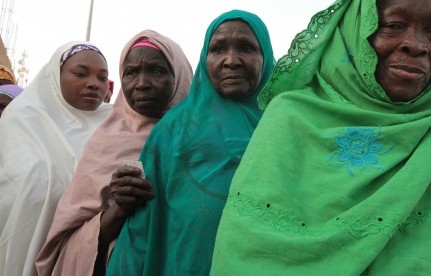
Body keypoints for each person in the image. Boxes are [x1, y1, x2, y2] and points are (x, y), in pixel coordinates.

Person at [211, 0, 431, 275]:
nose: (416, 45)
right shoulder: (291, 119)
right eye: (393, 25)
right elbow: (248, 249)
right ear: (353, 30)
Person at [105, 9, 275, 276]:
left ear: (265, 56)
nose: (231, 60)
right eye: (218, 49)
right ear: (204, 59)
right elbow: (143, 229)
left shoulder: (285, 125)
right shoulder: (172, 130)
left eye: (246, 48)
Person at [35, 29, 193, 276]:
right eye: (131, 72)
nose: (142, 83)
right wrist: (119, 208)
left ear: (180, 76)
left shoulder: (198, 139)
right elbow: (65, 245)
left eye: (157, 71)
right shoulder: (105, 142)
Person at [0, 42, 112, 276]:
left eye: (102, 78)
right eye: (81, 74)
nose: (93, 83)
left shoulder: (115, 127)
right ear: (55, 76)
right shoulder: (22, 119)